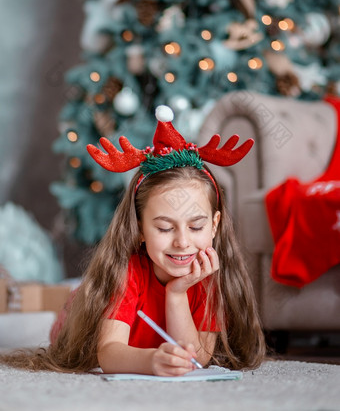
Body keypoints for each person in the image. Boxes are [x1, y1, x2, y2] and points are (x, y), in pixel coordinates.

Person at [0, 107, 266, 375]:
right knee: (53, 315)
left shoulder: (209, 276)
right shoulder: (127, 273)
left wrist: (176, 293)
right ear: (139, 229)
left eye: (196, 226)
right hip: (73, 320)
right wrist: (151, 361)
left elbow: (196, 358)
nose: (183, 242)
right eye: (164, 228)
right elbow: (109, 352)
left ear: (214, 225)